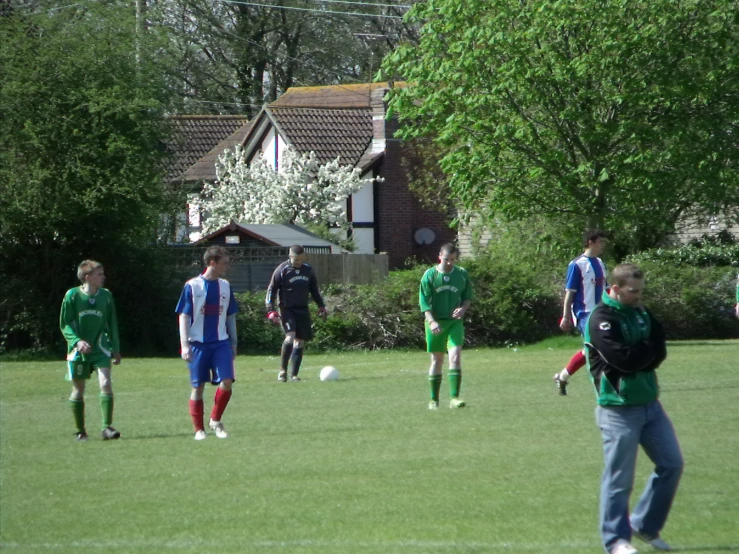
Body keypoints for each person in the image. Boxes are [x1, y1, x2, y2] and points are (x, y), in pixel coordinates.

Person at [585, 263, 683, 554]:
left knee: (672, 464)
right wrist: (645, 352)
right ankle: (615, 541)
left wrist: (644, 353)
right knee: (619, 478)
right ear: (615, 289)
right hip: (618, 409)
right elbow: (621, 359)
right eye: (633, 291)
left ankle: (644, 524)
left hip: (651, 405)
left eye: (641, 290)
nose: (639, 296)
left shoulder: (641, 313)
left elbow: (660, 349)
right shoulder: (601, 318)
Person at [176, 245, 239, 440]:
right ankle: (198, 430)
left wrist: (234, 343)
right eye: (224, 263)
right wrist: (185, 345)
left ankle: (215, 420)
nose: (227, 267)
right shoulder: (192, 286)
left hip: (221, 343)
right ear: (213, 262)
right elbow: (184, 316)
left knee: (227, 381)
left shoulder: (225, 286)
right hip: (198, 344)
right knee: (198, 387)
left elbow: (230, 316)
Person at [60, 260, 122, 441]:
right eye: (99, 274)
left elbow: (112, 323)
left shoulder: (106, 295)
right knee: (79, 389)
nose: (104, 277)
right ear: (87, 277)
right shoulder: (72, 295)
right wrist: (77, 342)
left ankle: (106, 428)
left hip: (100, 348)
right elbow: (64, 324)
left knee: (105, 383)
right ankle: (80, 431)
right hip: (78, 352)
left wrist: (115, 349)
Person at [553, 230, 608, 395]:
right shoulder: (576, 265)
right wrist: (566, 316)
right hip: (583, 313)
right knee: (598, 346)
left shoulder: (599, 262)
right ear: (591, 242)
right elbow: (570, 292)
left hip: (601, 312)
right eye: (601, 242)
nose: (603, 245)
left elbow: (606, 288)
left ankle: (562, 377)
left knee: (590, 349)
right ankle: (604, 386)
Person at [419, 243, 473, 409]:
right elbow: (424, 302)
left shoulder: (462, 274)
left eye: (452, 260)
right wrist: (432, 321)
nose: (449, 263)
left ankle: (454, 398)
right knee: (437, 360)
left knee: (455, 357)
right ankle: (433, 400)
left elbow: (467, 296)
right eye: (446, 259)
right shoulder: (430, 275)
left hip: (454, 323)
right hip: (435, 323)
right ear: (439, 256)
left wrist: (462, 309)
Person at [265, 245, 328, 382]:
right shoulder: (282, 270)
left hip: (303, 309)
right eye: (296, 259)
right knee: (290, 337)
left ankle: (294, 375)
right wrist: (271, 310)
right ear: (290, 256)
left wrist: (321, 306)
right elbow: (271, 290)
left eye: (301, 259)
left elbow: (314, 290)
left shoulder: (308, 270)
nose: (298, 262)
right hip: (287, 309)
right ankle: (282, 371)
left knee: (300, 342)